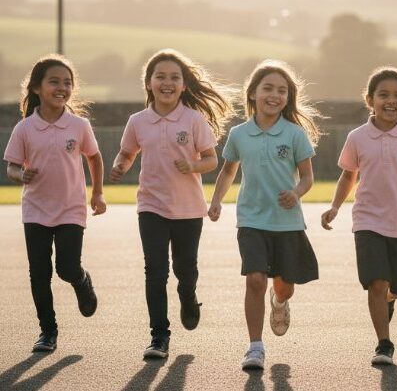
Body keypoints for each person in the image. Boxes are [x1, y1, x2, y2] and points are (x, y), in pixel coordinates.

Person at [109, 49, 234, 359]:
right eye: (160, 76)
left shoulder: (193, 120)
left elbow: (210, 160)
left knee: (185, 270)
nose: (167, 82)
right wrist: (121, 166)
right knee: (155, 270)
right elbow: (127, 153)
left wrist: (192, 167)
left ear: (183, 84)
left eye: (174, 77)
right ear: (149, 83)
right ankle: (158, 336)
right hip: (150, 206)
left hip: (189, 209)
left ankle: (188, 297)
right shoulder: (138, 121)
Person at [321, 67, 397, 366]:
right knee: (376, 282)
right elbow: (348, 176)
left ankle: (390, 298)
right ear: (370, 99)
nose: (391, 101)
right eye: (384, 95)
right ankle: (384, 344)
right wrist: (335, 207)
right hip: (368, 221)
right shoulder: (357, 137)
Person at [209, 60, 322, 370]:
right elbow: (228, 170)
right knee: (255, 279)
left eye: (282, 90)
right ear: (253, 94)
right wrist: (216, 200)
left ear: (288, 97)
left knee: (284, 285)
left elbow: (307, 177)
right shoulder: (239, 134)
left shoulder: (295, 134)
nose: (274, 95)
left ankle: (280, 301)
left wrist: (296, 193)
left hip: (287, 222)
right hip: (251, 220)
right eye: (268, 88)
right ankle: (255, 347)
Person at [4, 55, 106, 353]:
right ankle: (48, 332)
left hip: (71, 209)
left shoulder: (79, 125)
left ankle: (82, 280)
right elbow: (11, 167)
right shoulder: (24, 129)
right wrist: (21, 174)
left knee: (66, 267)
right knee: (39, 273)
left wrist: (97, 193)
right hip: (35, 210)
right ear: (37, 87)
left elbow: (94, 157)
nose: (62, 87)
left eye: (67, 83)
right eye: (54, 82)